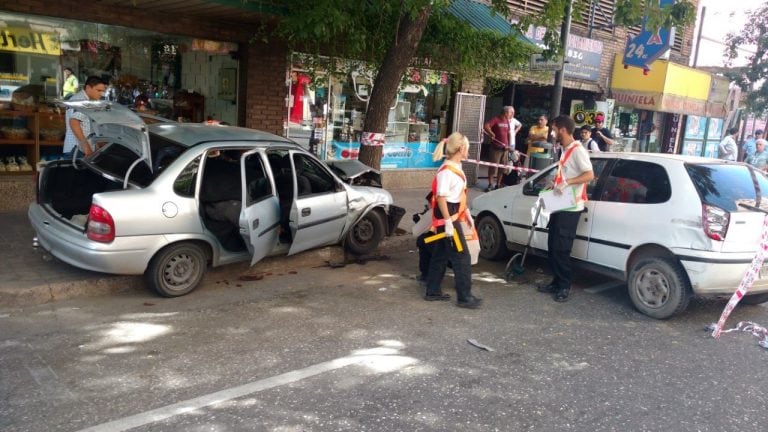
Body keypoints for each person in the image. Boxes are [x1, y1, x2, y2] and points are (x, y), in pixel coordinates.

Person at [538, 115, 594, 302]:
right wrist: (555, 184)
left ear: (562, 130)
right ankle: (556, 281)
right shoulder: (565, 149)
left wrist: (567, 182)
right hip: (560, 204)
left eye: (553, 129)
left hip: (571, 208)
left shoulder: (578, 150)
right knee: (553, 246)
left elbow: (589, 175)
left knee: (562, 249)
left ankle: (564, 286)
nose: (551, 133)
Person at [424, 132, 482, 309]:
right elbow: (441, 197)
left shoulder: (454, 167)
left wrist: (467, 216)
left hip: (451, 216)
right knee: (461, 257)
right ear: (461, 148)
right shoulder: (447, 171)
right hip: (447, 218)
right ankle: (464, 297)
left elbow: (457, 197)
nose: (468, 152)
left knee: (441, 255)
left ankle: (432, 291)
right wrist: (449, 223)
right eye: (467, 149)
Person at [63, 76, 107, 159]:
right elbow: (74, 123)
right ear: (88, 88)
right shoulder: (81, 101)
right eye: (98, 90)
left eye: (102, 91)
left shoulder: (87, 101)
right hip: (77, 150)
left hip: (80, 149)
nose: (101, 94)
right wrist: (87, 148)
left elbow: (87, 125)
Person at [483, 106, 522, 192]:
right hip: (496, 148)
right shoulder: (496, 119)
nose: (512, 114)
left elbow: (508, 133)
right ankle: (490, 184)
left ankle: (498, 184)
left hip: (505, 149)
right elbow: (486, 126)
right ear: (505, 113)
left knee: (502, 168)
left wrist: (509, 144)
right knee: (493, 167)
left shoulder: (507, 121)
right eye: (510, 113)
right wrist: (491, 133)